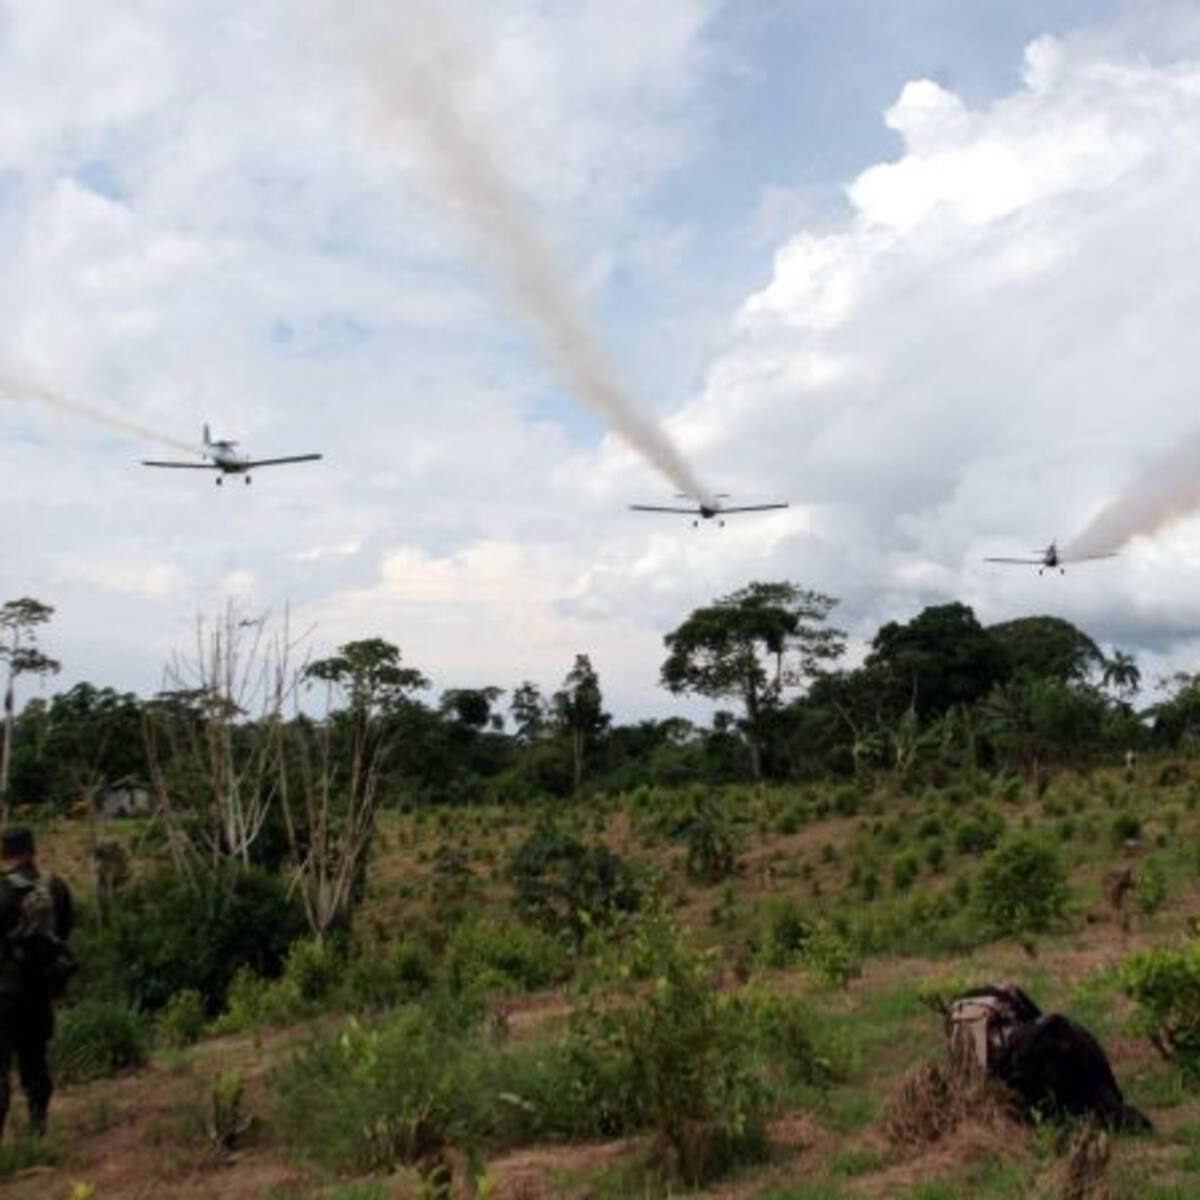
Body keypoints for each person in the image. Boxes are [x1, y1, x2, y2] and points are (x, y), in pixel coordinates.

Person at [0, 826, 74, 1139]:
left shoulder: (2, 891)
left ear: (4, 853)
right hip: (39, 990)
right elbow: (65, 931)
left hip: (4, 992)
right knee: (35, 1062)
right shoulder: (55, 887)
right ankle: (37, 1128)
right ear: (33, 849)